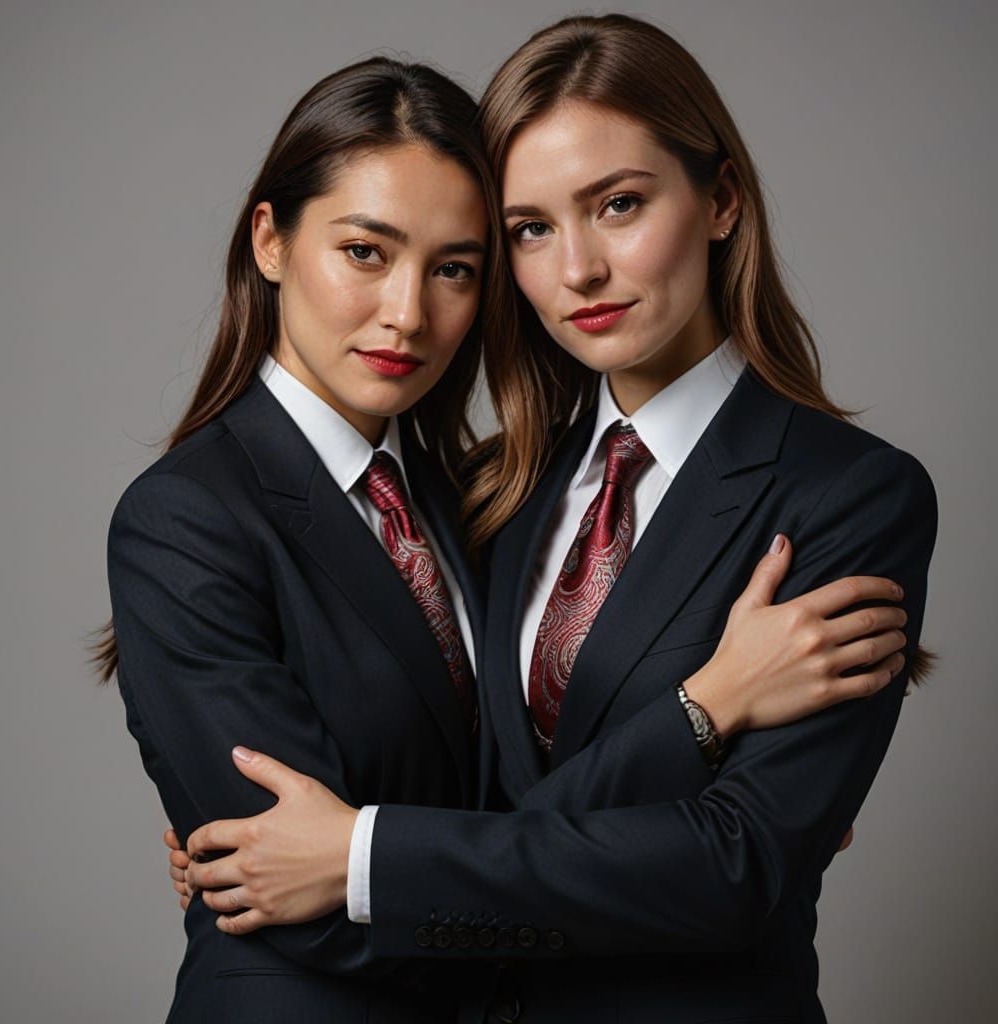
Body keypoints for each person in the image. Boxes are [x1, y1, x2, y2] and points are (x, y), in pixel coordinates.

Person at [165, 17, 934, 1023]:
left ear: (721, 199)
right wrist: (246, 828)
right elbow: (476, 808)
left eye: (618, 204)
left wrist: (357, 856)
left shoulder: (847, 495)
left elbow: (734, 867)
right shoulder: (497, 493)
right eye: (529, 229)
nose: (576, 270)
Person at [101, 56, 499, 1023]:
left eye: (454, 268)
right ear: (270, 240)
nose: (409, 312)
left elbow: (543, 772)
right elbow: (300, 900)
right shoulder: (187, 519)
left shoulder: (481, 504)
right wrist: (634, 887)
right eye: (366, 250)